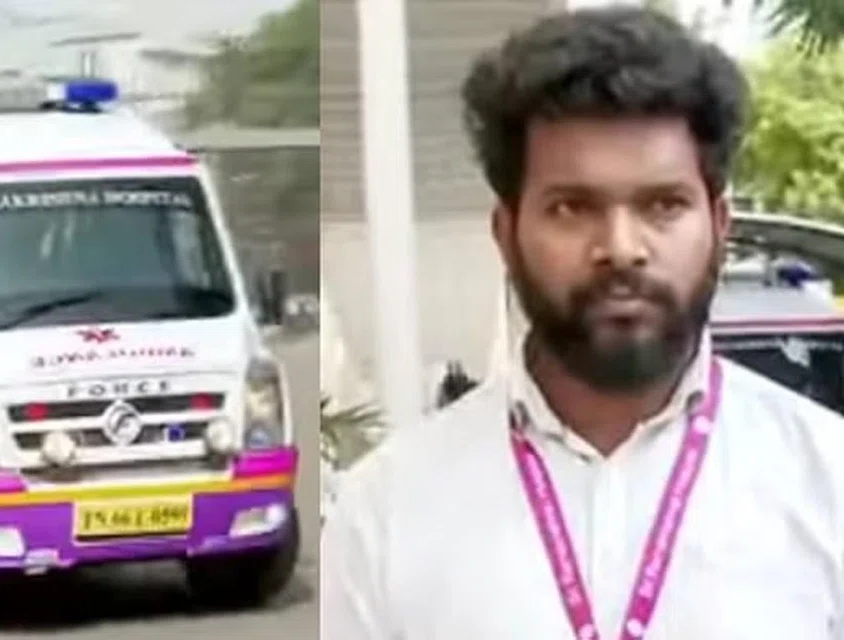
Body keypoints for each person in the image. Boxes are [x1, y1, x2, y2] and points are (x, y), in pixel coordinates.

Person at [320, 7, 844, 639]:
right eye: (571, 207)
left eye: (663, 204)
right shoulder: (384, 513)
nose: (621, 248)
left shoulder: (828, 485)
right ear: (506, 233)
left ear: (719, 225)